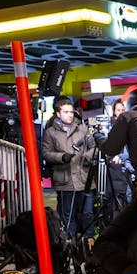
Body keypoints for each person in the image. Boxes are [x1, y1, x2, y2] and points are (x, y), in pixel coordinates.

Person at [40, 96, 96, 236]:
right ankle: (70, 243)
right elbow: (46, 153)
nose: (70, 115)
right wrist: (61, 157)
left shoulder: (82, 128)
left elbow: (94, 146)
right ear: (58, 114)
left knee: (88, 212)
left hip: (84, 177)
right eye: (66, 112)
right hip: (65, 178)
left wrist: (87, 157)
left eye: (71, 112)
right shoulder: (50, 132)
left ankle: (88, 240)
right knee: (67, 215)